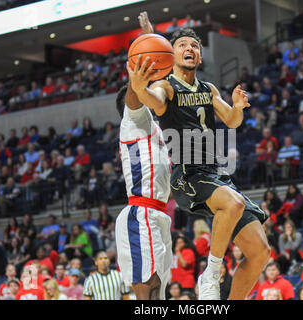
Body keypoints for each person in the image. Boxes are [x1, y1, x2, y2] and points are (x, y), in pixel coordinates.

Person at [127, 17, 270, 300]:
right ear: (173, 54)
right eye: (182, 45)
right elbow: (153, 100)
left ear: (201, 56)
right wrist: (141, 87)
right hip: (187, 175)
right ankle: (211, 273)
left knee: (260, 253)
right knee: (234, 203)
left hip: (215, 174)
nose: (189, 48)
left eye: (194, 45)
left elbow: (231, 120)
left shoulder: (209, 89)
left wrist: (238, 107)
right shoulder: (166, 86)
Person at [115, 12, 173, 301]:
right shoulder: (132, 121)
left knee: (160, 289)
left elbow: (167, 79)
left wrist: (152, 37)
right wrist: (143, 56)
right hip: (141, 212)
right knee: (146, 287)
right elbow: (135, 96)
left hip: (159, 213)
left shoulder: (156, 128)